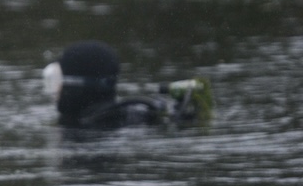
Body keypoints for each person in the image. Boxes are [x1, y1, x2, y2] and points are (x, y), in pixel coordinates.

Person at [43, 40, 213, 130]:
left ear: (76, 88)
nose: (54, 92)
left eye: (57, 82)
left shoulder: (87, 126)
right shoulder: (134, 112)